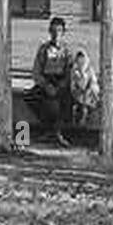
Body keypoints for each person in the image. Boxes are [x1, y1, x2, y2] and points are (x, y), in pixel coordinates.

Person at [27, 16, 73, 145]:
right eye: (53, 30)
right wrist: (46, 85)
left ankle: (58, 132)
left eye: (59, 30)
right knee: (31, 97)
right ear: (49, 31)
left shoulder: (67, 51)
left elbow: (70, 72)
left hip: (61, 83)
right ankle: (48, 129)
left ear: (63, 32)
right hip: (46, 82)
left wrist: (60, 86)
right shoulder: (43, 49)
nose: (56, 34)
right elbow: (36, 71)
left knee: (64, 102)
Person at [69, 48, 100, 128]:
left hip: (89, 96)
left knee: (85, 109)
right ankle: (76, 124)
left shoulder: (90, 71)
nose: (80, 62)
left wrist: (89, 90)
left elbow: (94, 85)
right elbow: (73, 86)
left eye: (82, 60)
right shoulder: (74, 72)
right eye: (79, 60)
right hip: (78, 96)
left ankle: (83, 123)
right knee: (76, 107)